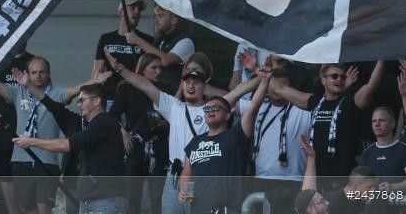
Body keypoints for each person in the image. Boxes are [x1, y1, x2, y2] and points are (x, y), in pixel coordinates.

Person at [105, 48, 258, 214]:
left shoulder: (212, 109)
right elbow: (144, 85)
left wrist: (262, 76)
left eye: (196, 82)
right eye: (187, 81)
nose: (190, 85)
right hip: (174, 178)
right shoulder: (173, 106)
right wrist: (120, 68)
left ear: (204, 86)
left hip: (199, 177)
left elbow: (238, 91)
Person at [0, 56, 105, 214]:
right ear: (27, 74)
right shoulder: (17, 92)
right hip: (21, 159)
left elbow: (75, 90)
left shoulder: (56, 94)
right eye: (34, 72)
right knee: (27, 209)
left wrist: (93, 81)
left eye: (42, 72)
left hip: (47, 161)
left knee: (44, 208)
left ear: (49, 73)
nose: (38, 75)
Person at [13, 83, 126, 214]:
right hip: (91, 199)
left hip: (106, 198)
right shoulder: (88, 124)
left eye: (82, 101)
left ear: (96, 101)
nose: (79, 105)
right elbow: (55, 107)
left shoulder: (104, 122)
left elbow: (67, 145)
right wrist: (28, 85)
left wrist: (31, 141)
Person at [272, 61, 384, 182]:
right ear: (323, 80)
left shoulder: (350, 103)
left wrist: (381, 61)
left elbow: (370, 87)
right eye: (334, 76)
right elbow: (280, 88)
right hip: (316, 179)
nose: (339, 79)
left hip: (342, 181)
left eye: (343, 77)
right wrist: (259, 70)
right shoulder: (315, 102)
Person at [177, 66, 268, 214]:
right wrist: (186, 194)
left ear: (227, 115)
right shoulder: (195, 142)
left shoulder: (236, 135)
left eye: (216, 108)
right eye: (206, 109)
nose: (210, 111)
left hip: (228, 210)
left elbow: (253, 108)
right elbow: (187, 173)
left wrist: (265, 81)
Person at [109, 53, 170, 214]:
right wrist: (123, 133)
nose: (158, 71)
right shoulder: (127, 88)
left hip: (159, 147)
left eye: (160, 68)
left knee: (157, 199)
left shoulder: (166, 90)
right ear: (143, 70)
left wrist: (167, 123)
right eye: (153, 68)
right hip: (134, 145)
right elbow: (113, 115)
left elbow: (176, 117)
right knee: (132, 198)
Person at [248, 64, 312, 213]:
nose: (277, 89)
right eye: (274, 84)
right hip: (262, 180)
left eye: (283, 85)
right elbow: (228, 102)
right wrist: (261, 79)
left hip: (294, 181)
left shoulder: (303, 110)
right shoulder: (257, 107)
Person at [0, 45, 33, 214]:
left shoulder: (33, 62)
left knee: (24, 168)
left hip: (26, 123)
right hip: (1, 123)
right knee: (3, 169)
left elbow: (45, 90)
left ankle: (27, 208)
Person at [298, 134, 380, 214]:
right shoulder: (330, 201)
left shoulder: (366, 203)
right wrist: (311, 158)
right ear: (355, 187)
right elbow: (307, 196)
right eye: (369, 187)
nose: (373, 191)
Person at [122, 5, 195, 89]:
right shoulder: (157, 42)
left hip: (173, 97)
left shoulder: (186, 41)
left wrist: (138, 40)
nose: (156, 20)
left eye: (160, 15)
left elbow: (165, 61)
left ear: (174, 20)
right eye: (155, 16)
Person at [357, 106, 406, 196]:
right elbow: (359, 183)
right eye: (374, 121)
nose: (377, 124)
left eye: (382, 120)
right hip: (373, 205)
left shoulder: (405, 150)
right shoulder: (367, 153)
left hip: (399, 204)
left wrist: (393, 187)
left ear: (393, 124)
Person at [92, 0, 152, 91]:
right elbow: (97, 71)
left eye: (139, 9)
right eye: (133, 8)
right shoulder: (106, 39)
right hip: (110, 96)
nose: (137, 12)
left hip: (136, 96)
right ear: (121, 12)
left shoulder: (147, 40)